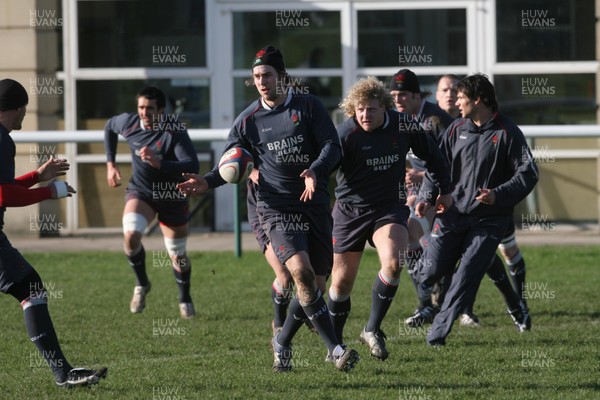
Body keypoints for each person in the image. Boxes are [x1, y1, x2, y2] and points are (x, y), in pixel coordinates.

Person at [177, 45, 359, 372]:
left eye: (267, 75)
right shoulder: (248, 120)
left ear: (282, 77)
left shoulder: (309, 107)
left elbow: (333, 148)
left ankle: (282, 341)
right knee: (298, 273)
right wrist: (207, 181)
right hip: (275, 208)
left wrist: (316, 171)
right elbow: (232, 163)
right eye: (257, 76)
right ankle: (336, 349)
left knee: (315, 288)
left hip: (314, 205)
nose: (262, 81)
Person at [327, 76, 451, 361]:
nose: (365, 115)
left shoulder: (403, 125)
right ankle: (333, 345)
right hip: (349, 212)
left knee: (394, 265)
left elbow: (435, 155)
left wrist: (442, 191)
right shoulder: (345, 135)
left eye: (371, 109)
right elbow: (323, 169)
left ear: (385, 107)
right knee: (342, 283)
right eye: (359, 110)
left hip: (388, 208)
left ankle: (372, 328)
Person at [415, 74, 538, 346]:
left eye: (461, 97)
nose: (456, 102)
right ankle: (509, 294)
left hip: (488, 221)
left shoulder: (507, 132)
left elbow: (528, 174)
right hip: (452, 216)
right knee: (430, 272)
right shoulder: (456, 128)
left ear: (478, 99)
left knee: (465, 277)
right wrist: (426, 196)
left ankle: (436, 336)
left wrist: (498, 194)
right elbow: (437, 166)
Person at [0, 79, 107, 388]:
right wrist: (49, 191)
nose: (24, 116)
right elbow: (4, 195)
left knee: (28, 288)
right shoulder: (2, 140)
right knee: (30, 288)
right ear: (18, 108)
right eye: (25, 110)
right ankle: (63, 373)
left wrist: (37, 176)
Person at [105, 86, 199, 318]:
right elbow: (109, 126)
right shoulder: (129, 123)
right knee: (130, 235)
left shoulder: (173, 129)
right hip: (142, 191)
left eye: (149, 108)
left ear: (161, 110)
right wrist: (111, 163)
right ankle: (142, 284)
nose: (144, 113)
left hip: (171, 195)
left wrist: (160, 163)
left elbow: (191, 165)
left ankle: (184, 297)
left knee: (177, 254)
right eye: (141, 107)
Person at [387, 69, 461, 325]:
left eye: (404, 95)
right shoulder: (400, 118)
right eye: (394, 95)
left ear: (418, 96)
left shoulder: (435, 121)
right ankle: (427, 300)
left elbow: (457, 162)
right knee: (410, 234)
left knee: (470, 254)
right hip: (421, 191)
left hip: (448, 190)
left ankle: (437, 302)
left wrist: (421, 175)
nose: (398, 100)